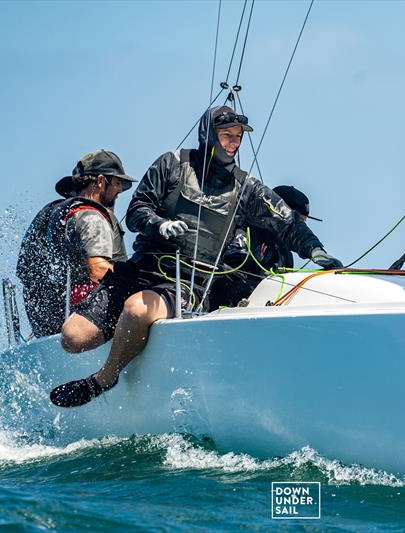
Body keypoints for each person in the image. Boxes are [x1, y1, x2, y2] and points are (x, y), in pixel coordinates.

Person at [49, 106, 342, 407]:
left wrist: (316, 250)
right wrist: (157, 224)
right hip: (141, 268)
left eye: (238, 137)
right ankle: (127, 334)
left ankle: (105, 377)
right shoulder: (171, 164)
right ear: (208, 134)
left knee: (137, 310)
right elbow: (136, 211)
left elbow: (287, 222)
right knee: (72, 338)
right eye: (226, 135)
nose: (233, 143)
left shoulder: (247, 188)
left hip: (186, 281)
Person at [16, 149, 135, 337]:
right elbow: (97, 270)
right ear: (101, 181)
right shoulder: (91, 217)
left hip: (48, 326)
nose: (120, 190)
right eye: (118, 183)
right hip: (85, 327)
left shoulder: (52, 214)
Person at [219, 185, 321, 305]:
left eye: (303, 223)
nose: (301, 227)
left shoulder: (284, 255)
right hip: (223, 301)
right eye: (299, 222)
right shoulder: (244, 229)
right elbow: (232, 261)